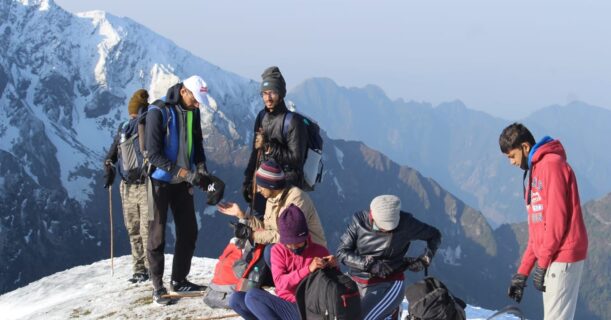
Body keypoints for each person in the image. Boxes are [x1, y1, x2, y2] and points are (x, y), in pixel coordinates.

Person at [499, 123, 588, 320]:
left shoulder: (551, 166)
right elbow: (537, 231)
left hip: (563, 255)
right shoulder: (535, 171)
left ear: (524, 147)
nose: (511, 163)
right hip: (553, 256)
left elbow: (557, 221)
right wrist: (522, 273)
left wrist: (543, 262)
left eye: (511, 156)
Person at [145, 75, 212, 304]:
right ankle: (157, 286)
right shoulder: (158, 111)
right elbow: (152, 154)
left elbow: (198, 141)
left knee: (189, 231)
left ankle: (179, 279)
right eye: (195, 98)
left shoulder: (193, 111)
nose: (198, 103)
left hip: (183, 182)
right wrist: (185, 173)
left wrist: (201, 167)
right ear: (184, 91)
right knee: (157, 235)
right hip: (159, 182)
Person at [336, 195, 442, 320]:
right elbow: (341, 252)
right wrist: (369, 265)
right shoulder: (359, 221)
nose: (386, 230)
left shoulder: (406, 223)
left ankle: (390, 308)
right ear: (372, 216)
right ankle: (388, 312)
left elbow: (434, 235)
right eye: (381, 226)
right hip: (355, 279)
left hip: (389, 283)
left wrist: (425, 259)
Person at [228, 204, 334, 320]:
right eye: (289, 243)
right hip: (284, 303)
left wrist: (334, 267)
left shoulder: (319, 251)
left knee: (252, 296)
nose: (293, 246)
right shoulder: (278, 251)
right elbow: (280, 283)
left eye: (297, 242)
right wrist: (307, 269)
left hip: (307, 308)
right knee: (236, 300)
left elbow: (331, 286)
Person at [218, 160, 327, 266]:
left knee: (271, 251)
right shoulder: (272, 197)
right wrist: (242, 215)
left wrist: (252, 235)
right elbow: (267, 229)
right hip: (292, 248)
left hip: (311, 252)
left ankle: (290, 282)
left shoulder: (296, 199)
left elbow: (287, 236)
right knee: (265, 252)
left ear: (271, 185)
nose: (258, 190)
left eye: (260, 187)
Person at [242, 66, 308, 215]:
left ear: (281, 93)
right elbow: (256, 152)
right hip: (263, 185)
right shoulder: (261, 117)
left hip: (285, 188)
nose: (268, 98)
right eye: (264, 93)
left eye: (272, 92)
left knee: (279, 233)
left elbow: (297, 159)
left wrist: (269, 147)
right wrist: (247, 180)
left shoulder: (293, 122)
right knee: (258, 228)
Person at [103, 89, 150, 283]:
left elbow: (111, 156)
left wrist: (108, 169)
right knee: (145, 229)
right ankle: (146, 269)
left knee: (136, 230)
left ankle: (141, 270)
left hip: (128, 186)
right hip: (145, 185)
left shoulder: (123, 129)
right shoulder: (146, 125)